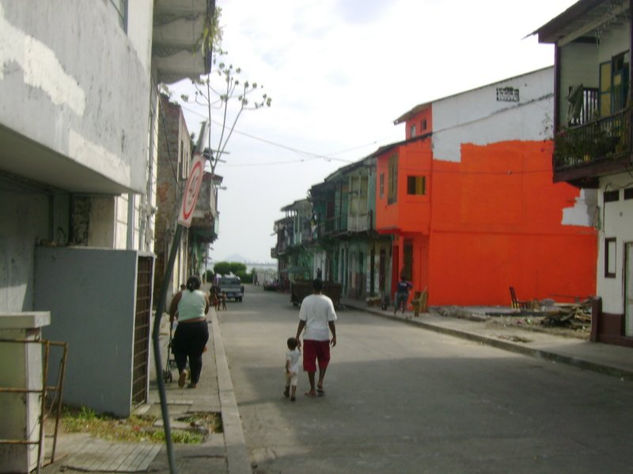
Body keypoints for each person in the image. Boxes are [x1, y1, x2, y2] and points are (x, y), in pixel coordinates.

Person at [295, 278, 337, 398]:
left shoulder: (306, 301)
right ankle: (321, 381)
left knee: (310, 362)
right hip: (323, 336)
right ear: (322, 287)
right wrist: (334, 336)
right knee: (324, 359)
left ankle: (312, 389)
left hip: (310, 336)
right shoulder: (328, 301)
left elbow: (302, 320)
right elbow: (331, 321)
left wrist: (297, 336)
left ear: (312, 287)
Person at [169, 276, 210, 388]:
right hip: (201, 327)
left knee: (178, 349)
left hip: (184, 327)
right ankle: (194, 382)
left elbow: (172, 308)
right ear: (199, 285)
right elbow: (206, 310)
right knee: (196, 354)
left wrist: (172, 318)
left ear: (187, 284)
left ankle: (182, 370)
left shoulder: (180, 294)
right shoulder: (204, 295)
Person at [284, 337, 301, 402]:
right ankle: (293, 394)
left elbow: (288, 361)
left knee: (288, 381)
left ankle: (287, 392)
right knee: (294, 382)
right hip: (295, 370)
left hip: (289, 370)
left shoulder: (288, 353)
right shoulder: (297, 351)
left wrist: (287, 368)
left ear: (288, 346)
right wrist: (299, 347)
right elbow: (299, 352)